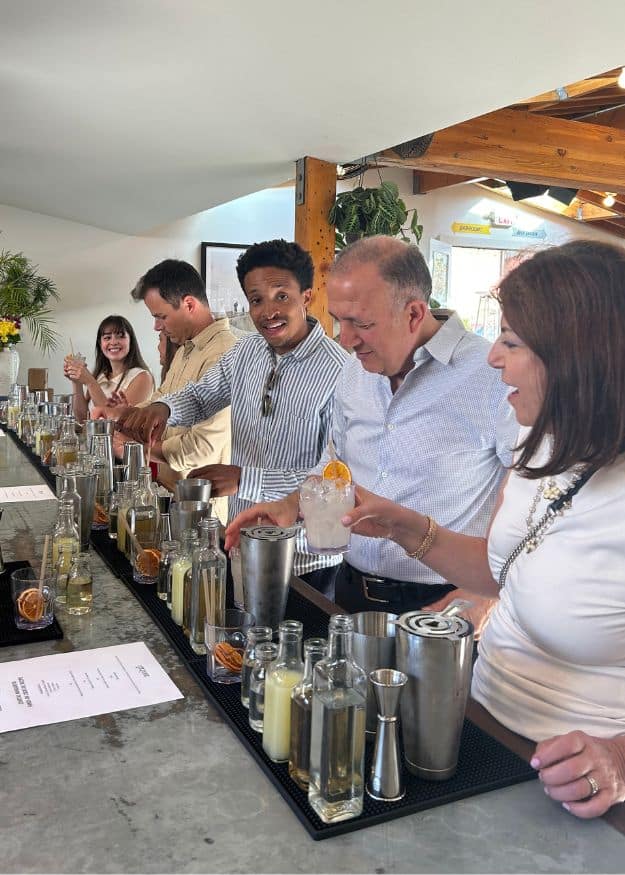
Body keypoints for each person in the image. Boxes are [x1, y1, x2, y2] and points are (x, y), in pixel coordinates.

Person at [335, 240, 625, 819]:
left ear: (580, 357)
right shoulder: (539, 440)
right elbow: (502, 569)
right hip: (481, 727)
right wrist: (406, 528)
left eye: (512, 342)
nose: (493, 358)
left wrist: (618, 758)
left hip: (576, 784)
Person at [226, 236, 516, 628]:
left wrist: (483, 595)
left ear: (413, 313)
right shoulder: (354, 371)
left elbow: (527, 505)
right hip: (349, 592)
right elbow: (337, 464)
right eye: (339, 320)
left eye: (361, 323)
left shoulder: (492, 375)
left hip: (443, 601)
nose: (346, 340)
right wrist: (291, 505)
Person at [116, 239, 349, 594]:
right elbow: (201, 395)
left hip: (304, 562)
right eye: (256, 300)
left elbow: (335, 478)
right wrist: (163, 409)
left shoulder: (340, 372)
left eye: (281, 296)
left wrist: (244, 479)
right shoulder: (246, 352)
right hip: (241, 544)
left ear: (307, 296)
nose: (268, 311)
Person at [64, 314, 154, 422]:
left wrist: (90, 382)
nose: (113, 342)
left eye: (120, 336)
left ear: (131, 340)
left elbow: (115, 422)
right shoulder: (100, 376)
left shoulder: (142, 377)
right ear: (100, 344)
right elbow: (82, 419)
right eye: (107, 338)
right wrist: (76, 381)